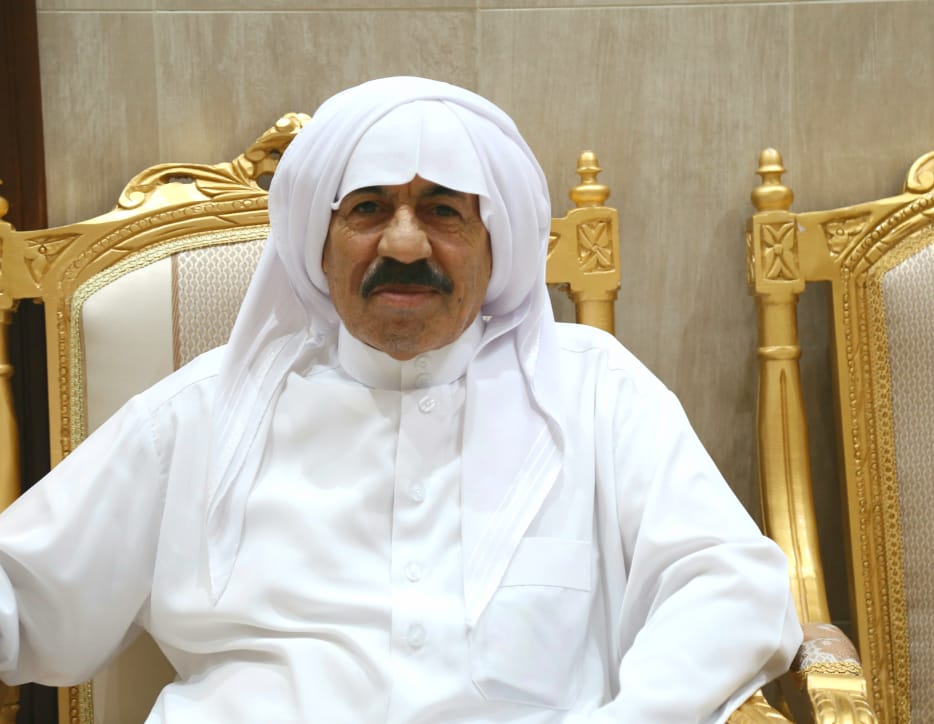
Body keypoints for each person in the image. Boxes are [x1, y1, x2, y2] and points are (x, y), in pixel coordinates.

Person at [0, 77, 800, 722]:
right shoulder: (205, 413)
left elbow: (733, 587)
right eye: (369, 208)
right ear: (319, 244)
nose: (406, 242)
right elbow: (26, 597)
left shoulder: (594, 392)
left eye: (444, 209)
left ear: (495, 244)